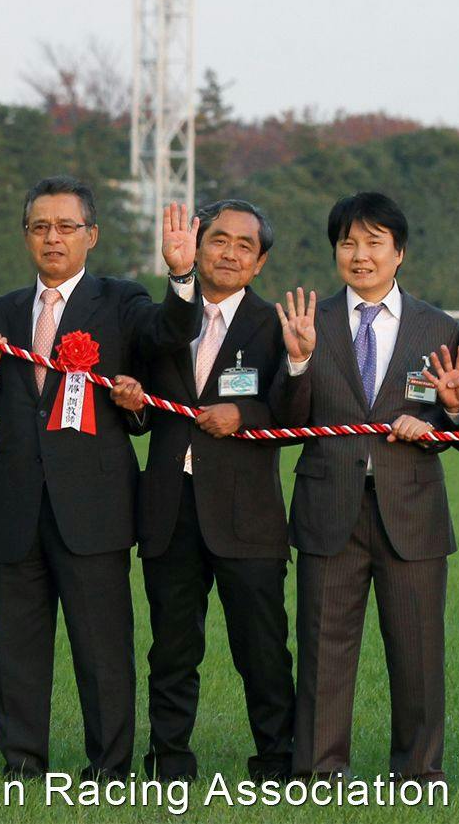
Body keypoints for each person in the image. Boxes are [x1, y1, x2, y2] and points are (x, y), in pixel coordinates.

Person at [0, 177, 199, 779]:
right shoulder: (2, 313)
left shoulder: (120, 301)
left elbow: (169, 333)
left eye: (67, 227)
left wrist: (180, 277)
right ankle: (21, 764)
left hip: (94, 507)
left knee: (103, 650)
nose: (53, 238)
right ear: (26, 236)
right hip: (17, 505)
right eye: (40, 226)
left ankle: (110, 767)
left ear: (91, 236)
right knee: (17, 648)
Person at [272, 192, 459, 781]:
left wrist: (447, 416)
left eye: (374, 242)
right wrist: (299, 363)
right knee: (324, 652)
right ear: (335, 251)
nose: (360, 255)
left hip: (412, 512)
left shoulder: (441, 327)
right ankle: (320, 771)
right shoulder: (311, 322)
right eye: (348, 243)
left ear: (399, 252)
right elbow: (287, 419)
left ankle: (418, 773)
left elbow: (455, 416)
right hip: (330, 509)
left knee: (418, 655)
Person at [109, 200, 295, 782]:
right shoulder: (157, 317)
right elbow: (139, 417)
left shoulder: (275, 325)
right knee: (171, 649)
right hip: (168, 508)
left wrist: (245, 412)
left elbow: (294, 411)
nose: (230, 253)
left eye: (245, 245)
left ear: (260, 262)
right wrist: (132, 404)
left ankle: (279, 763)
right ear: (197, 242)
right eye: (219, 239)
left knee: (262, 649)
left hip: (248, 515)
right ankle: (169, 762)